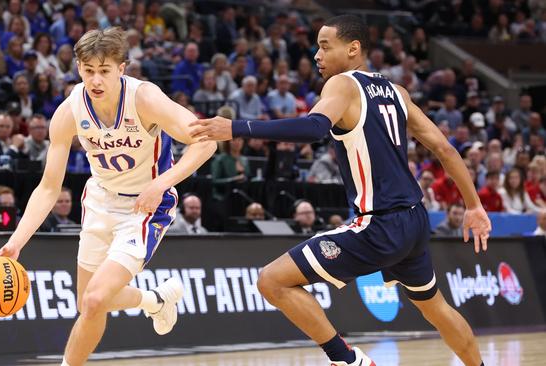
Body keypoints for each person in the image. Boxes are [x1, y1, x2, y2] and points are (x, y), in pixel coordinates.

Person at [189, 15, 491, 366]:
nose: (317, 55)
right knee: (436, 308)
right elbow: (446, 150)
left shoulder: (342, 85)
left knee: (272, 281)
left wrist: (237, 127)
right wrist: (474, 206)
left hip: (378, 226)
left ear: (353, 48)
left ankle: (347, 360)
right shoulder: (396, 91)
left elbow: (314, 127)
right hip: (414, 221)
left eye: (324, 46)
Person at [0, 28, 216, 366]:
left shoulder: (145, 98)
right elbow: (49, 187)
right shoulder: (70, 111)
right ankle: (154, 300)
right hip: (100, 199)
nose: (95, 80)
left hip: (145, 206)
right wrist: (16, 242)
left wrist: (161, 184)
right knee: (88, 303)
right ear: (78, 68)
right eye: (88, 70)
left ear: (121, 69)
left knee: (97, 299)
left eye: (104, 71)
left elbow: (206, 141)